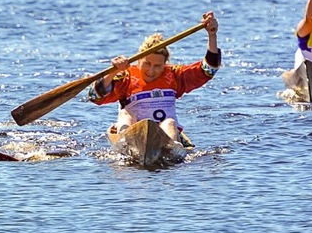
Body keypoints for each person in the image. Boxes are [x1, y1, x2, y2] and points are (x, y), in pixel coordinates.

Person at [87, 11, 220, 145]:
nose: (151, 71)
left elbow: (209, 70)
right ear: (138, 61)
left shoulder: (174, 75)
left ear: (165, 64)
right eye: (147, 64)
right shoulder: (126, 76)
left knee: (169, 122)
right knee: (125, 115)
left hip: (164, 134)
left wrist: (212, 35)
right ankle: (124, 144)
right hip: (133, 133)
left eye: (157, 66)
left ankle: (173, 148)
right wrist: (113, 72)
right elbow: (94, 96)